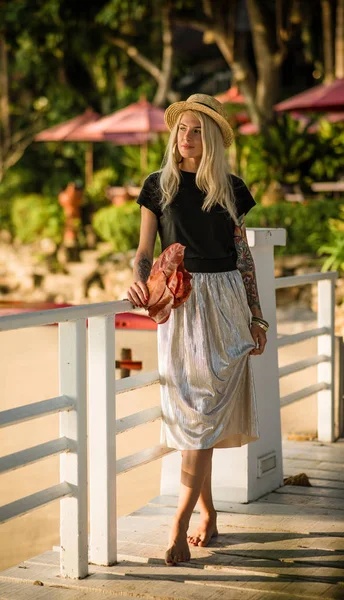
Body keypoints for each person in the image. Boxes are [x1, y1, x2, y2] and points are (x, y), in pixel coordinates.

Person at [126, 93, 268, 567]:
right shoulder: (156, 185)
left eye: (199, 130)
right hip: (181, 303)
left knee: (202, 416)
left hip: (225, 302)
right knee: (193, 419)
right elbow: (145, 251)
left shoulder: (230, 187)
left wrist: (257, 314)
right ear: (175, 135)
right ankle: (207, 511)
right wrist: (138, 278)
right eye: (183, 129)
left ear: (212, 140)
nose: (189, 137)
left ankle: (180, 524)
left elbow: (243, 256)